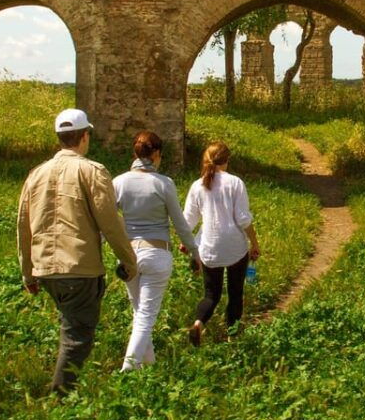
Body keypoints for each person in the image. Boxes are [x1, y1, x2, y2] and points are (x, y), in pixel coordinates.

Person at [17, 108, 137, 395]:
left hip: (45, 268)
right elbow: (110, 223)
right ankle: (61, 401)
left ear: (60, 138)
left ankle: (64, 393)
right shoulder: (91, 171)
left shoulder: (36, 175)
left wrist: (28, 273)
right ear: (84, 137)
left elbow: (23, 225)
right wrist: (128, 260)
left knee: (70, 327)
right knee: (77, 337)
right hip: (79, 268)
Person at [113, 131, 198, 371]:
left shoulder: (119, 182)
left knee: (139, 313)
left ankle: (147, 365)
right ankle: (128, 369)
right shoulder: (164, 184)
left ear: (135, 153)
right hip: (157, 253)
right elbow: (180, 223)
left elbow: (108, 220)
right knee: (146, 316)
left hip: (128, 255)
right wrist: (194, 252)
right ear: (157, 154)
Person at [183, 141, 260, 346]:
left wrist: (187, 244)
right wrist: (254, 243)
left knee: (211, 294)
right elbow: (243, 218)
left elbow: (188, 220)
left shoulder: (197, 185)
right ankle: (231, 336)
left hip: (209, 247)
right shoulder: (235, 183)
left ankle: (199, 323)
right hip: (235, 246)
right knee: (235, 293)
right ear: (227, 160)